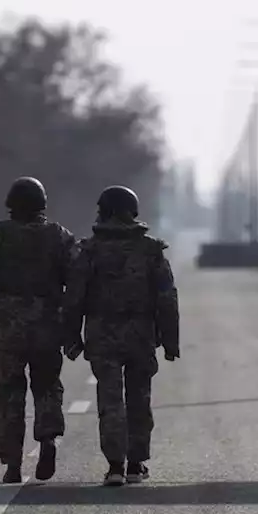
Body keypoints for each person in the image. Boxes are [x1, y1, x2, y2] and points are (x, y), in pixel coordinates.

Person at [63, 185, 180, 487]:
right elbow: (167, 297)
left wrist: (71, 337)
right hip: (141, 335)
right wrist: (170, 340)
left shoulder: (89, 250)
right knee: (139, 398)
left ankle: (115, 466)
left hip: (102, 334)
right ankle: (135, 464)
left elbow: (75, 296)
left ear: (104, 211)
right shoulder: (151, 250)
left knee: (110, 400)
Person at [0, 176, 78, 484]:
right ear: (42, 204)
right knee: (47, 387)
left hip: (8, 329)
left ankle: (13, 464)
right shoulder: (59, 236)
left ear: (11, 205)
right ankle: (48, 441)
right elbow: (78, 275)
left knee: (9, 395)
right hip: (47, 328)